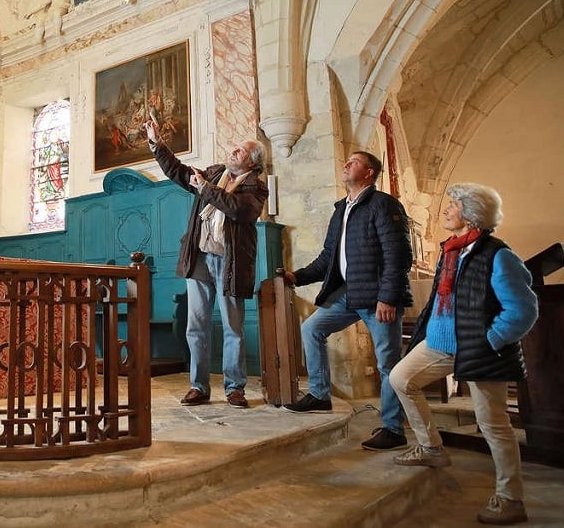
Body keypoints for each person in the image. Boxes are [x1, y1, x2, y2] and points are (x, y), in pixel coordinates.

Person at [389, 183, 537, 525]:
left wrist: (490, 340)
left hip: (480, 348)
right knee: (401, 378)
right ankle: (431, 447)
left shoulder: (497, 255)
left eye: (453, 205)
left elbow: (523, 309)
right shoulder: (451, 250)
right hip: (440, 343)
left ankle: (510, 497)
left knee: (493, 424)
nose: (446, 209)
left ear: (471, 214)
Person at [282, 151, 413, 452]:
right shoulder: (342, 208)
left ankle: (393, 428)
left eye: (354, 162)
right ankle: (319, 394)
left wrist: (388, 297)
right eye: (347, 161)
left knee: (387, 362)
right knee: (311, 329)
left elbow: (398, 256)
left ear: (369, 173)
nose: (346, 164)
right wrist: (297, 277)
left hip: (378, 297)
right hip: (349, 293)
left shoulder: (383, 204)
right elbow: (328, 257)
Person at [144, 115, 268, 409]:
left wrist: (205, 189)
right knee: (196, 326)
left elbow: (239, 210)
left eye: (241, 150)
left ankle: (234, 388)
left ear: (252, 163)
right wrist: (156, 142)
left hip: (231, 263)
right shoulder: (213, 173)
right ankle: (198, 386)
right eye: (235, 146)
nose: (233, 150)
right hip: (199, 258)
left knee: (233, 328)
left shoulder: (256, 188)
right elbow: (178, 171)